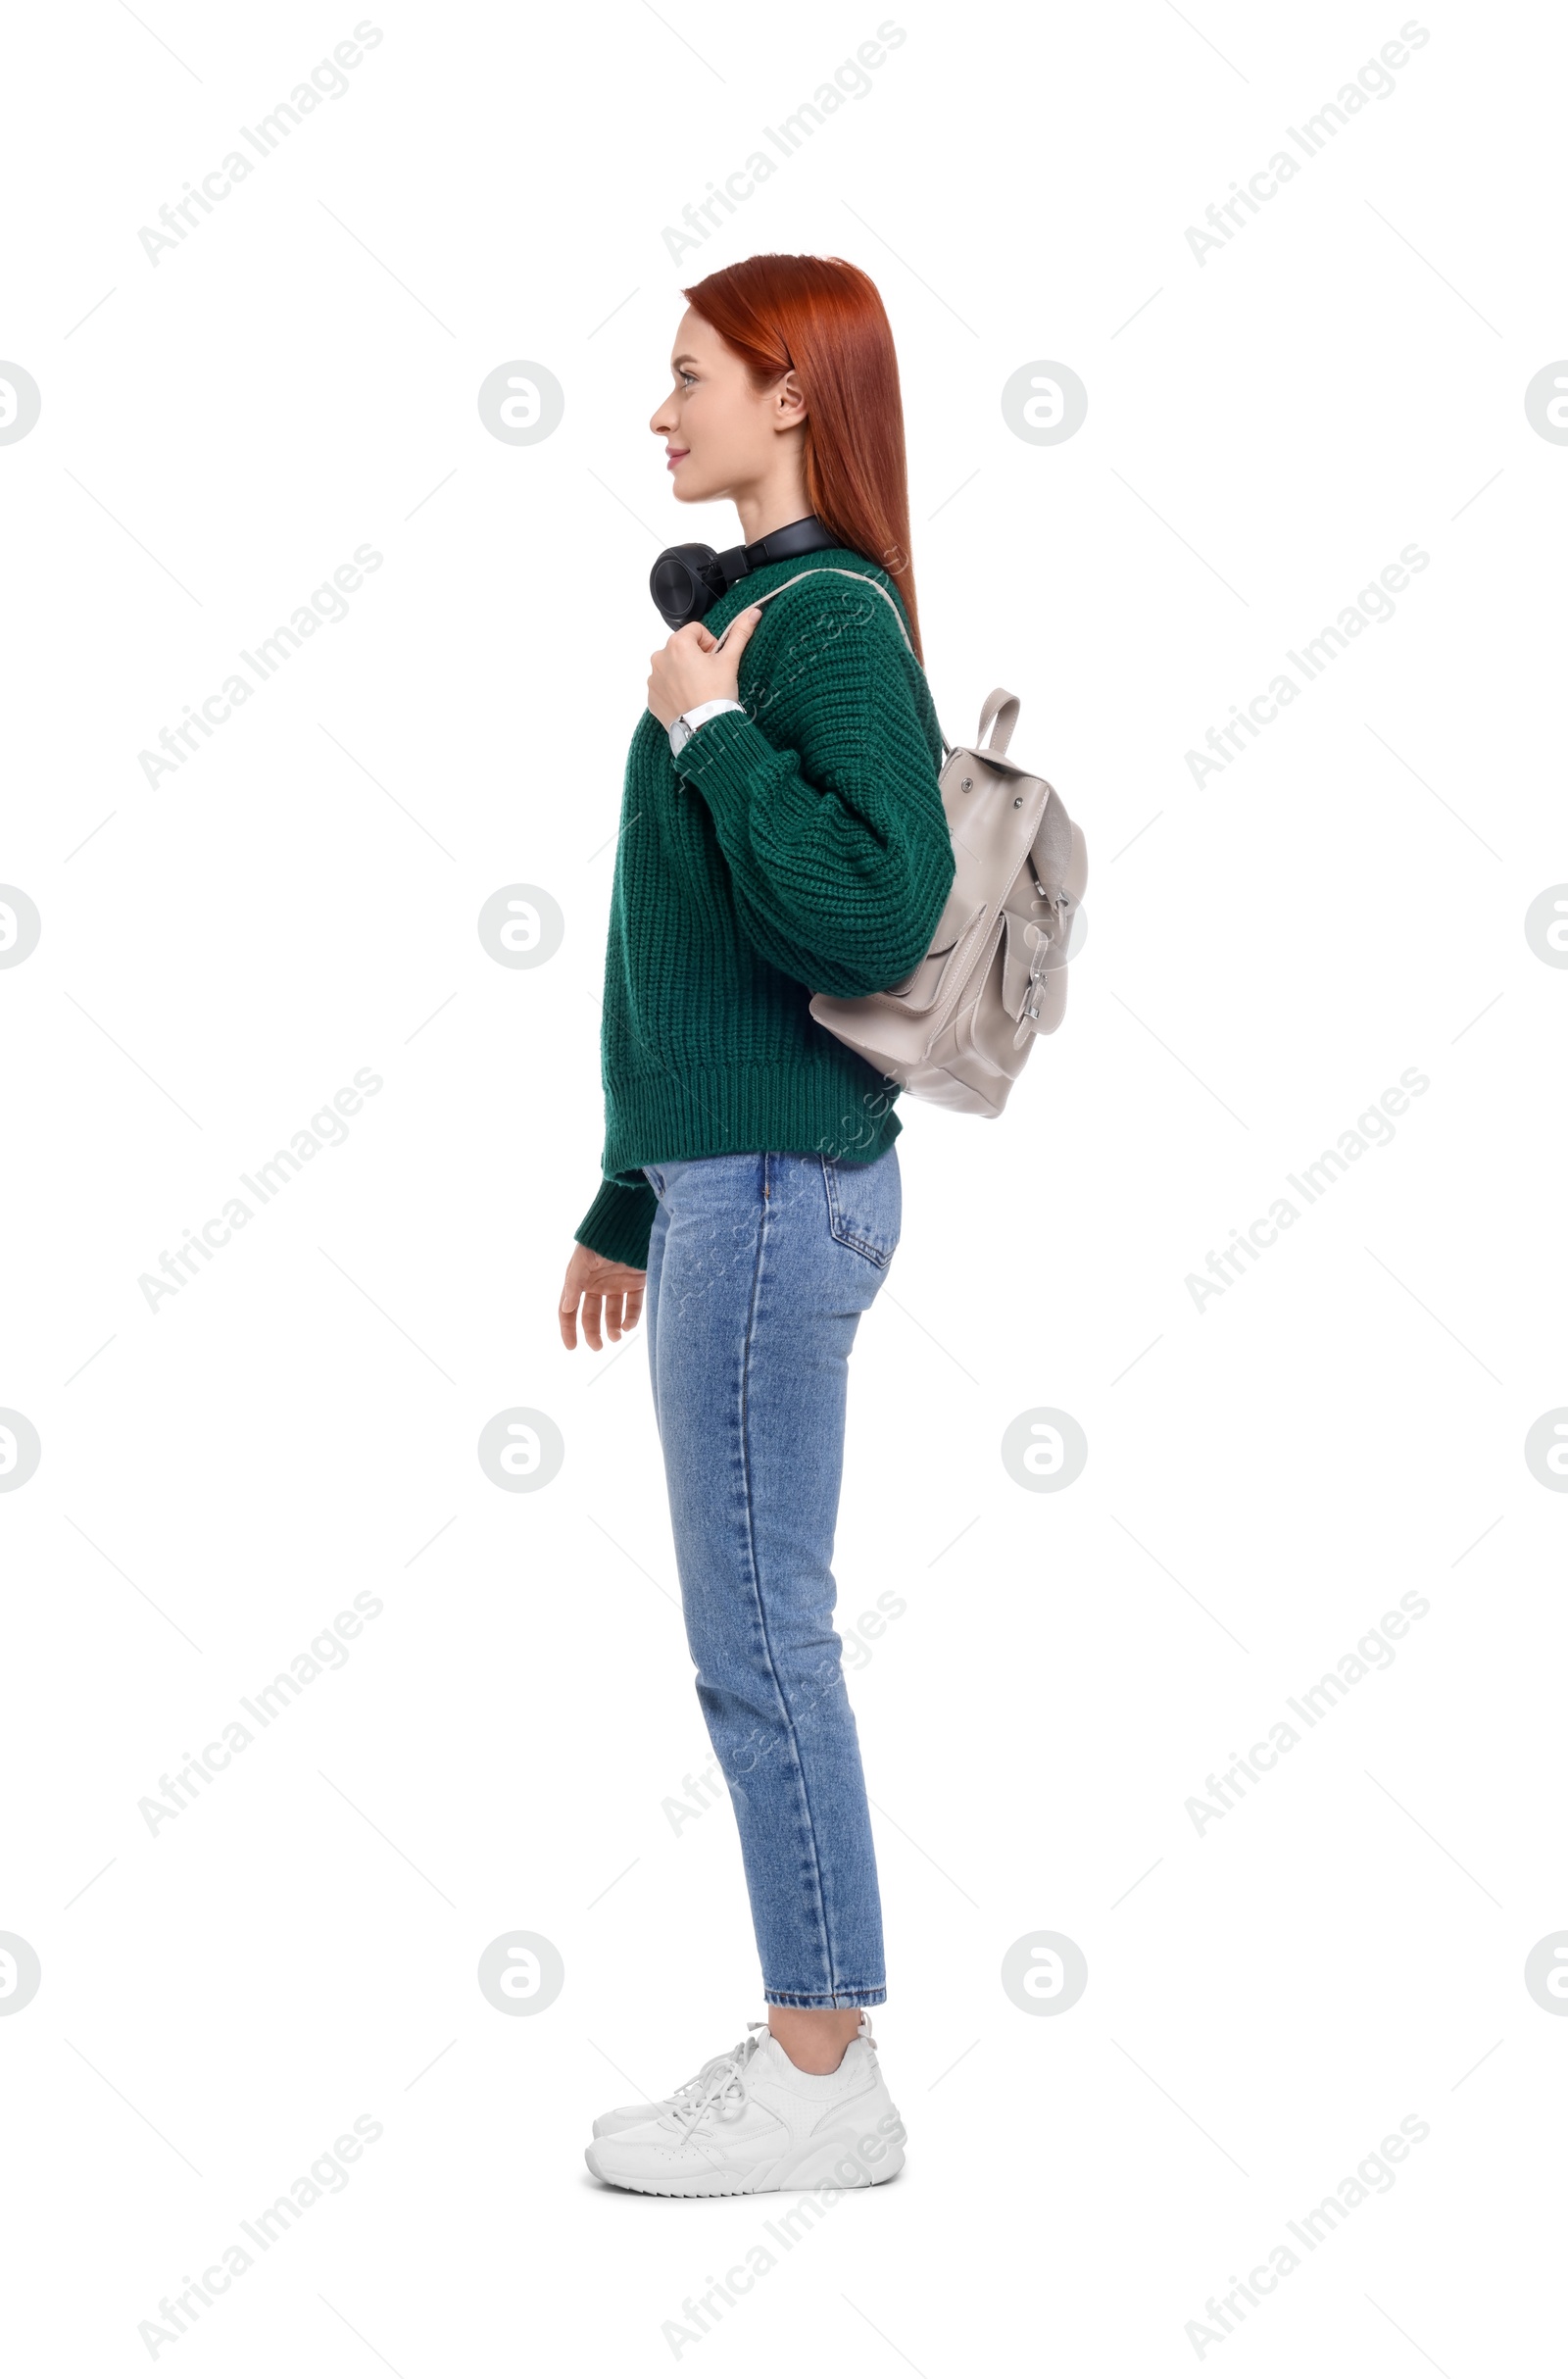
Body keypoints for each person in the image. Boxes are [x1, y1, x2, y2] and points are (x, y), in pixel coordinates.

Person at [559, 252, 955, 2196]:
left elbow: (871, 918)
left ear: (793, 391)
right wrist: (627, 1191)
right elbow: (690, 956)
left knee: (756, 1637)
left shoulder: (824, 628)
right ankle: (816, 2041)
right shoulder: (757, 609)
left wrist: (712, 732)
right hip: (732, 1182)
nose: (659, 408)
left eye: (691, 372)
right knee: (752, 1627)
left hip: (783, 1188)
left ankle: (822, 2066)